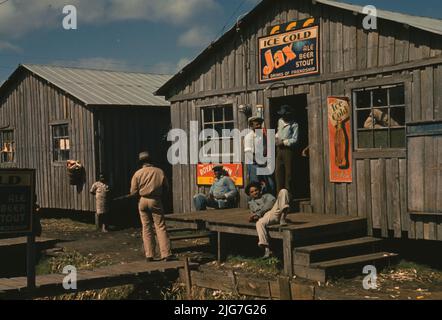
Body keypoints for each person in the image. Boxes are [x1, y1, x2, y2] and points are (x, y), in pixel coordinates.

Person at [130, 151, 174, 262]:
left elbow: (133, 192)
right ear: (151, 161)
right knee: (160, 226)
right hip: (155, 200)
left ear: (141, 162)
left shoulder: (137, 173)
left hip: (143, 200)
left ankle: (149, 254)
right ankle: (166, 253)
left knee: (146, 227)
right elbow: (167, 188)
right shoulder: (159, 171)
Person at [246, 182, 290, 258]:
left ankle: (283, 217)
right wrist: (253, 217)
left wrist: (258, 213)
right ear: (250, 194)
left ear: (260, 190)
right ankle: (267, 249)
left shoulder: (268, 196)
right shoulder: (251, 204)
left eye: (256, 190)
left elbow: (270, 204)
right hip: (267, 217)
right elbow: (254, 214)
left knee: (283, 191)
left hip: (275, 211)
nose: (255, 192)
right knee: (259, 223)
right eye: (252, 192)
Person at [275, 105, 298, 214]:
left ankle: (288, 203)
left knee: (289, 176)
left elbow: (295, 140)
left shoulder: (294, 124)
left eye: (285, 115)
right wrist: (276, 137)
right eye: (282, 115)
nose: (283, 117)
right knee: (278, 174)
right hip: (279, 150)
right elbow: (278, 131)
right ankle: (279, 203)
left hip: (288, 150)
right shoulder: (280, 121)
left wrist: (284, 142)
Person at [244, 116, 275, 195]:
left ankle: (269, 199)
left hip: (264, 161)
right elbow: (248, 154)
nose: (258, 126)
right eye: (256, 125)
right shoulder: (249, 137)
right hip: (253, 163)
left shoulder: (263, 135)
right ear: (251, 126)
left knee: (270, 183)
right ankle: (256, 202)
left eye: (260, 124)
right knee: (256, 184)